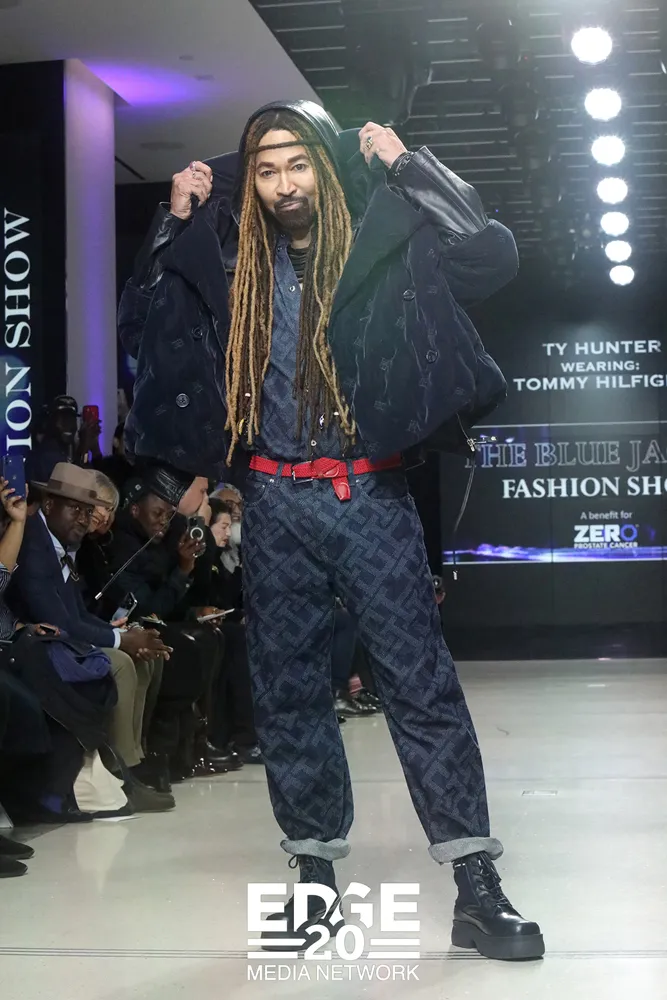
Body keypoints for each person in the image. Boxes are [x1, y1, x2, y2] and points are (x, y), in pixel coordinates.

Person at [118, 100, 543, 960]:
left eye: (298, 163)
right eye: (266, 169)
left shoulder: (384, 245)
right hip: (273, 500)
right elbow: (141, 326)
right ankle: (314, 887)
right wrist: (172, 222)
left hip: (369, 492)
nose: (284, 184)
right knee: (286, 695)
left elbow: (488, 257)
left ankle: (475, 886)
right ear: (252, 181)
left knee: (420, 688)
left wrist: (409, 168)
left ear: (323, 164)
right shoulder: (232, 263)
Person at [7, 464, 175, 813]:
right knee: (120, 663)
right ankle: (120, 772)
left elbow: (78, 613)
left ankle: (134, 761)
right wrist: (120, 641)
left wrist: (122, 634)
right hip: (32, 647)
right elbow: (59, 620)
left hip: (60, 640)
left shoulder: (59, 542)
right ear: (49, 504)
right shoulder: (33, 543)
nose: (84, 520)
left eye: (88, 511)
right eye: (75, 509)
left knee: (144, 659)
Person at [102, 472, 242, 781]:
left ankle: (195, 743)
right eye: (157, 514)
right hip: (126, 624)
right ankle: (156, 754)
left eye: (168, 515)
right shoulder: (124, 545)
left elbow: (193, 592)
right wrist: (181, 570)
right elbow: (148, 607)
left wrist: (194, 604)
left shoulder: (164, 539)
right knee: (183, 648)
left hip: (157, 620)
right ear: (134, 510)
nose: (163, 522)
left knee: (212, 637)